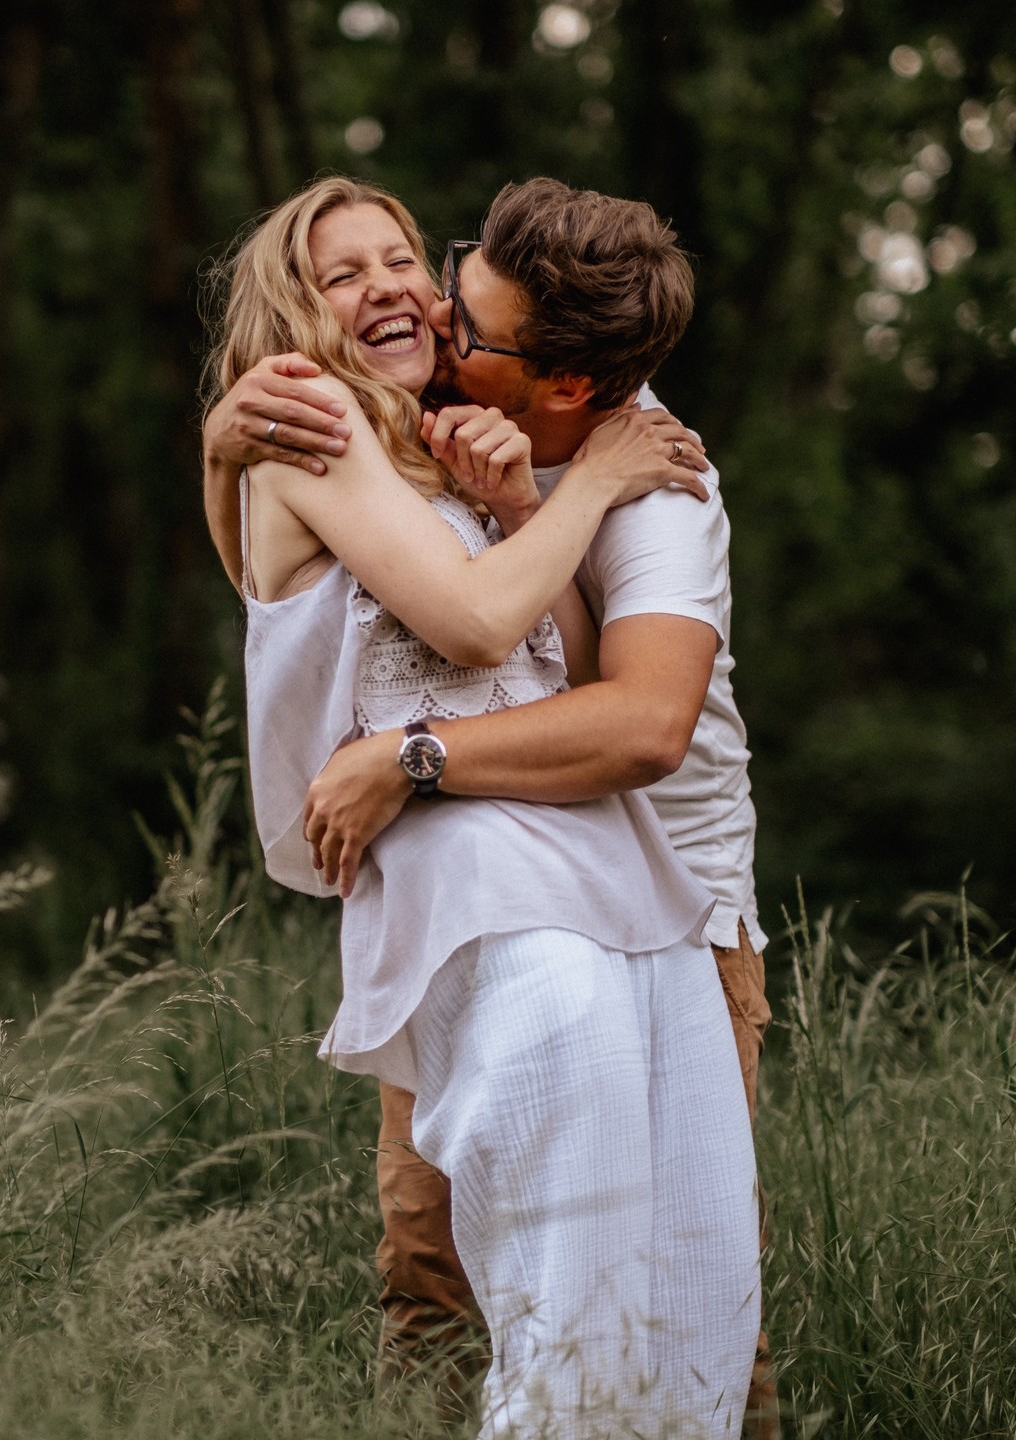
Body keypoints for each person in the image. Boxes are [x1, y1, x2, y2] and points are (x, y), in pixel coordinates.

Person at [204, 177, 778, 1439]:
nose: (421, 305)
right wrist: (217, 448)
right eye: (348, 272)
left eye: (409, 263)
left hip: (668, 884)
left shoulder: (648, 472)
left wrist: (533, 507)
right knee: (446, 1270)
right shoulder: (373, 416)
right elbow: (344, 601)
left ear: (564, 383)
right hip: (493, 891)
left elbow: (623, 711)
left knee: (687, 1284)